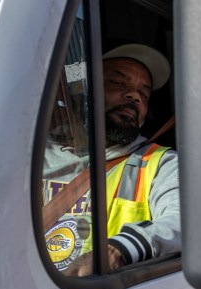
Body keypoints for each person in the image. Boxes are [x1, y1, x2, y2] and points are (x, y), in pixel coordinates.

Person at [43, 43, 179, 276]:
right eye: (118, 83)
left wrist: (120, 248)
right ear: (81, 90)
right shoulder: (31, 155)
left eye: (144, 94)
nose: (134, 96)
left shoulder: (160, 164)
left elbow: (185, 219)